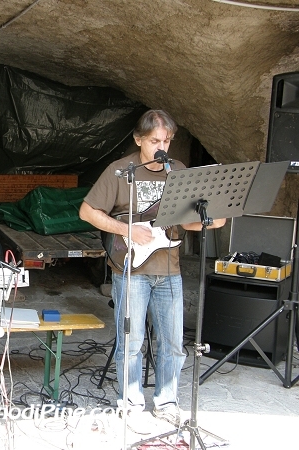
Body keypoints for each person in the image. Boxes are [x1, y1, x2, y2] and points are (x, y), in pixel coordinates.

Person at [79, 110, 226, 432]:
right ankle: (130, 403)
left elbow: (186, 221)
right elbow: (87, 211)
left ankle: (166, 402)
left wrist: (210, 219)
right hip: (131, 268)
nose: (162, 147)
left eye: (167, 141)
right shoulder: (120, 171)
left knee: (173, 342)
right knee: (132, 342)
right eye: (155, 141)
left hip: (169, 268)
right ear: (138, 139)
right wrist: (125, 228)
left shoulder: (180, 172)